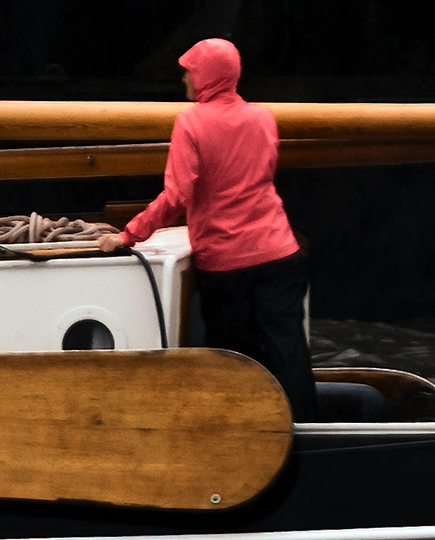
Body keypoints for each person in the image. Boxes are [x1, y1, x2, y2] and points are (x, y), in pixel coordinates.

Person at [109, 37, 318, 426]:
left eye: (190, 70)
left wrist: (128, 235)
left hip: (227, 265)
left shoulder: (190, 122)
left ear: (204, 76)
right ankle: (309, 433)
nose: (185, 78)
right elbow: (265, 172)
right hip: (280, 253)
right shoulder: (263, 117)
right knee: (289, 353)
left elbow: (177, 195)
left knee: (234, 361)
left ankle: (244, 437)